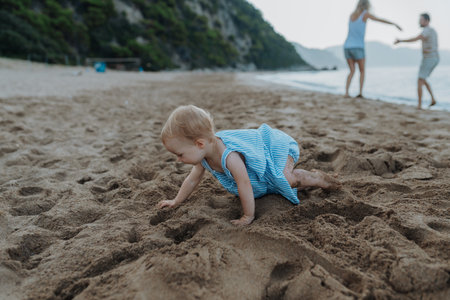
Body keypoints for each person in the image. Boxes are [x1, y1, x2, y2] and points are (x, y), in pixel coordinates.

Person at [157, 105, 340, 226]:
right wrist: (176, 201)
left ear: (200, 144)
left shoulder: (229, 157)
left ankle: (318, 178)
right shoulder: (203, 155)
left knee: (287, 179)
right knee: (275, 186)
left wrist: (248, 216)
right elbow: (191, 181)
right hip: (261, 159)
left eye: (180, 154)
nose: (178, 160)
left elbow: (243, 182)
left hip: (273, 148)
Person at [344, 0, 402, 98]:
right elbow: (379, 20)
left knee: (352, 71)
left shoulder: (351, 15)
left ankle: (346, 93)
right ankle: (360, 93)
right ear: (367, 5)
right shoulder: (365, 14)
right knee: (362, 71)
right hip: (358, 46)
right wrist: (394, 24)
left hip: (347, 46)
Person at [395, 13, 439, 109]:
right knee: (423, 79)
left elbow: (417, 38)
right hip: (432, 58)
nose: (419, 21)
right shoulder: (431, 30)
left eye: (421, 20)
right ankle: (433, 99)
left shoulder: (427, 30)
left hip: (429, 58)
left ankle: (419, 105)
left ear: (427, 21)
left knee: (420, 80)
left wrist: (401, 41)